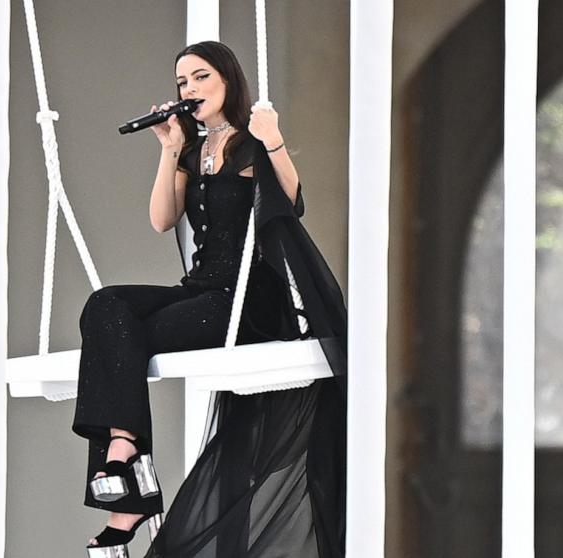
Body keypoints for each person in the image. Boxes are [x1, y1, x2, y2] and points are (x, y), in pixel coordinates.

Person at [73, 41, 348, 558]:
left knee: (122, 344)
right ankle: (126, 451)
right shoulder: (194, 149)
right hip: (202, 290)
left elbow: (291, 204)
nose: (189, 90)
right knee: (105, 307)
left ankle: (127, 485)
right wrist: (168, 146)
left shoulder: (250, 143)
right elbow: (161, 219)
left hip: (249, 302)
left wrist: (275, 141)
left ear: (227, 81)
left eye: (200, 78)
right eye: (181, 83)